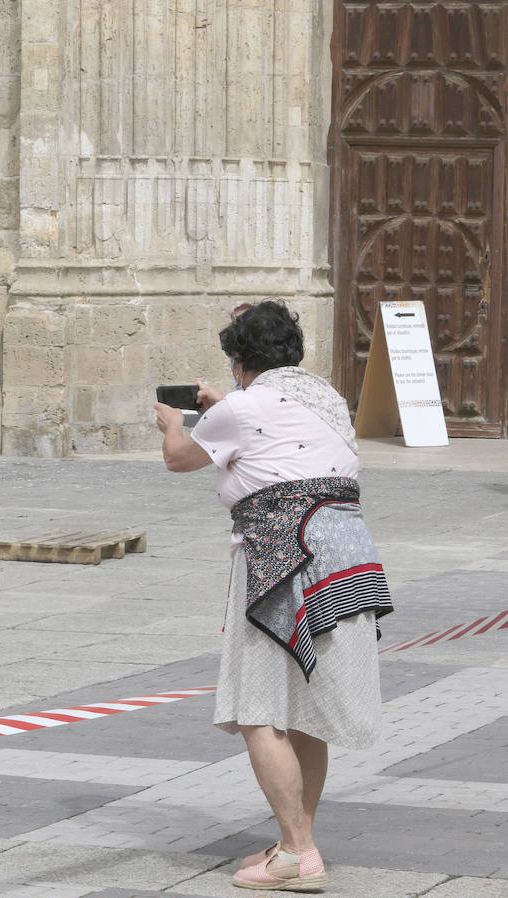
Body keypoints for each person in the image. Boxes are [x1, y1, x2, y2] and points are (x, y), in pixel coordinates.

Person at [153, 301, 393, 892]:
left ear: (239, 362)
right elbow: (277, 432)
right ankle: (296, 842)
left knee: (260, 710)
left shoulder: (239, 406)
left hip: (280, 565)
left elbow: (179, 460)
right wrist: (224, 407)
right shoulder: (329, 398)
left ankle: (297, 854)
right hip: (347, 558)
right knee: (307, 714)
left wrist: (175, 424)